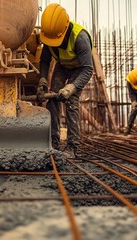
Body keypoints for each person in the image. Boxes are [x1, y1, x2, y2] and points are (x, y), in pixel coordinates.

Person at [37, 3, 94, 158]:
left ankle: (72, 147)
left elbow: (88, 69)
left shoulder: (80, 38)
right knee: (53, 97)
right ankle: (53, 142)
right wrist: (42, 80)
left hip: (79, 69)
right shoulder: (50, 35)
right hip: (62, 65)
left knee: (71, 101)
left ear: (65, 28)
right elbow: (44, 61)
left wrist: (71, 87)